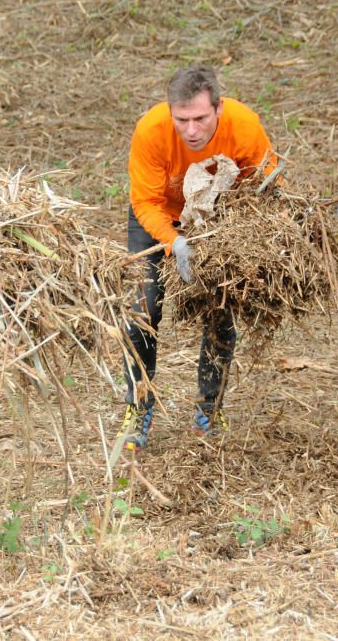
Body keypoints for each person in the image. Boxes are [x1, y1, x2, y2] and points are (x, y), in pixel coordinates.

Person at [121, 65, 275, 451]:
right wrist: (175, 242)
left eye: (200, 119)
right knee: (143, 310)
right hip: (160, 216)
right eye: (182, 120)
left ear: (218, 110)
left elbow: (268, 185)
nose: (191, 130)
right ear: (170, 112)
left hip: (218, 214)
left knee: (219, 309)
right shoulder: (152, 132)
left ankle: (210, 410)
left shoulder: (244, 127)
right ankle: (138, 410)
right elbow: (146, 201)